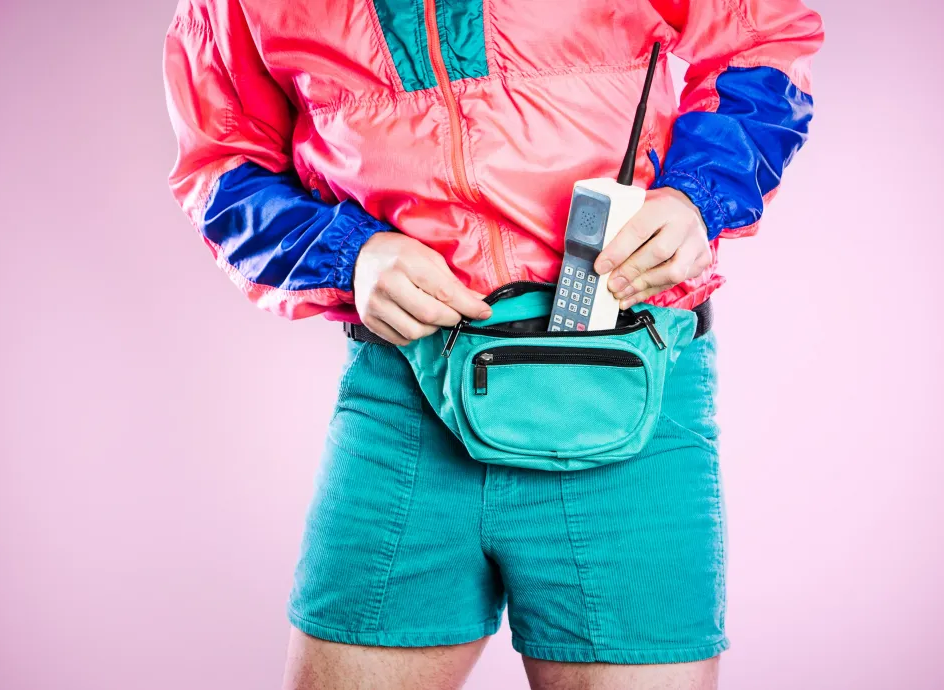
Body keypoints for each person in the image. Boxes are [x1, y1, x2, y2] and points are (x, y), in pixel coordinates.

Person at [163, 1, 822, 688]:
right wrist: (348, 254)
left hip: (631, 382)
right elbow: (218, 165)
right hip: (405, 398)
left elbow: (763, 37)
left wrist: (697, 195)